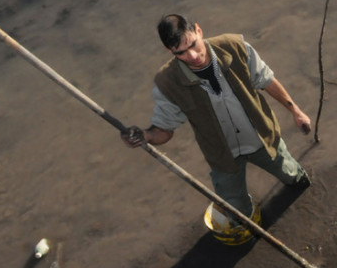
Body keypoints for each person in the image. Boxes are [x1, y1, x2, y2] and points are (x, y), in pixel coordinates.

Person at [122, 14, 312, 228]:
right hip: (222, 156)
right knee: (236, 208)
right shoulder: (167, 83)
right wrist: (144, 136)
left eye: (193, 44)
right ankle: (248, 227)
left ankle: (303, 190)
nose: (193, 55)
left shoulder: (235, 46)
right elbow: (164, 130)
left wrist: (296, 111)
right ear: (169, 51)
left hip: (262, 138)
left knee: (292, 175)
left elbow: (267, 80)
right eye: (181, 53)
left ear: (198, 30)